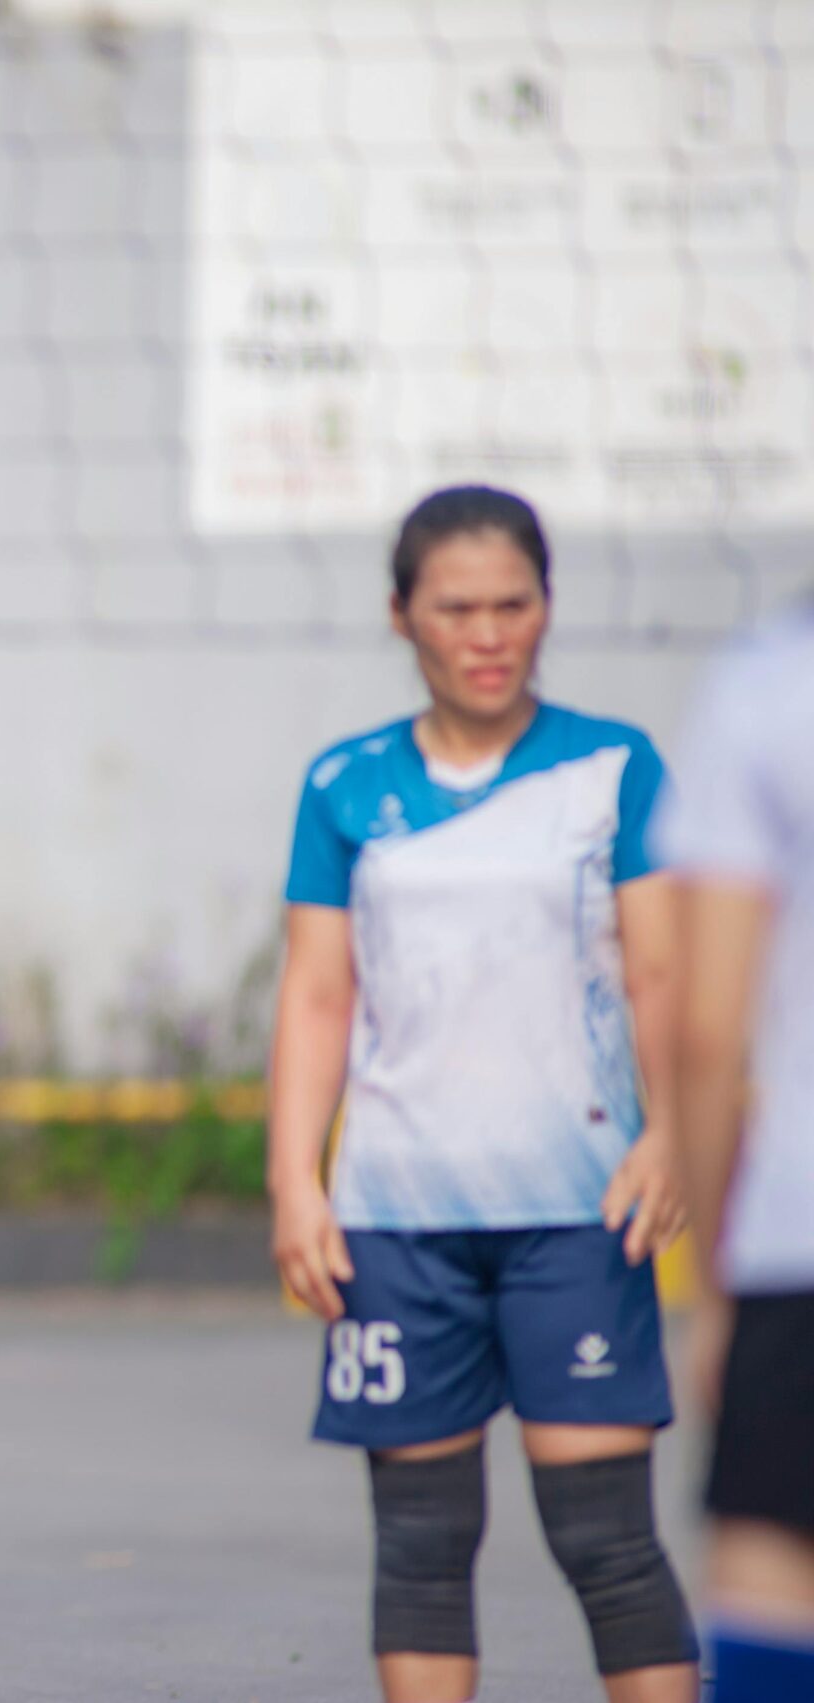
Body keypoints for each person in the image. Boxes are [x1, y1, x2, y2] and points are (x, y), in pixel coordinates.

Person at [264, 486, 697, 1703]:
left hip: (579, 1206)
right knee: (418, 1546)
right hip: (395, 1219)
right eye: (457, 608)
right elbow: (314, 998)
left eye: (513, 604)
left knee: (605, 1541)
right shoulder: (342, 783)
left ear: (546, 609)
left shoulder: (614, 768)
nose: (489, 632)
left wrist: (672, 1134)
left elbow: (663, 973)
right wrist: (293, 1180)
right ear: (402, 617)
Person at [658, 609, 814, 1701]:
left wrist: (715, 1285)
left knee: (771, 1592)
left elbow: (706, 1026)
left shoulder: (766, 685)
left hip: (797, 1243)